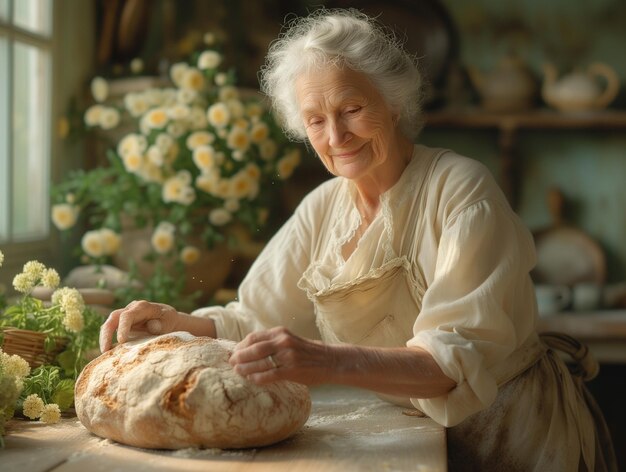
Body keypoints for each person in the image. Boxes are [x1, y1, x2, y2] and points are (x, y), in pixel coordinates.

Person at [99, 9, 616, 471]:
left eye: (351, 109)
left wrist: (324, 360)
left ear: (393, 102)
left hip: (512, 435)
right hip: (414, 438)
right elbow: (255, 318)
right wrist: (178, 324)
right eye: (316, 120)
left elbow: (450, 362)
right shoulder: (323, 207)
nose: (336, 136)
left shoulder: (461, 190)